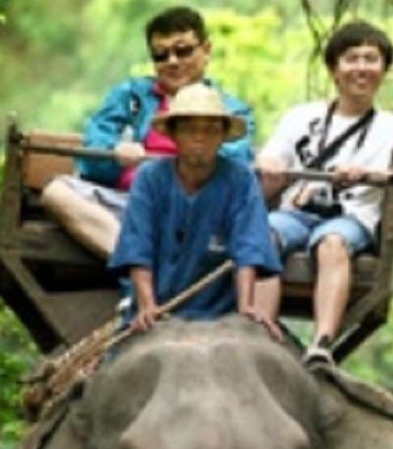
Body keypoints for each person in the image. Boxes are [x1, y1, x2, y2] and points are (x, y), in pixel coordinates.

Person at [254, 19, 393, 366]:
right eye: (352, 58)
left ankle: (321, 342)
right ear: (334, 69)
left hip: (350, 220)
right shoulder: (302, 116)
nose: (362, 68)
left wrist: (372, 175)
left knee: (332, 243)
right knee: (264, 233)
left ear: (384, 70)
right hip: (295, 213)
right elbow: (271, 156)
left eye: (371, 59)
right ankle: (260, 328)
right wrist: (270, 165)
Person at [40, 6, 259, 258]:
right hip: (125, 203)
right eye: (160, 55)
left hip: (193, 210)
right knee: (56, 192)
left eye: (183, 51)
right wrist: (115, 153)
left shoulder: (230, 110)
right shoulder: (130, 96)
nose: (173, 62)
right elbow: (91, 153)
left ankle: (141, 270)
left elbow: (234, 164)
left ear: (206, 50)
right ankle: (132, 262)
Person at [109, 84, 281, 334]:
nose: (199, 137)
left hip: (219, 310)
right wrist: (147, 306)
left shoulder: (241, 180)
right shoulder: (149, 178)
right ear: (173, 134)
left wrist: (246, 306)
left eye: (210, 129)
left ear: (223, 136)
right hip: (160, 305)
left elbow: (249, 246)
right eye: (189, 128)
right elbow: (137, 246)